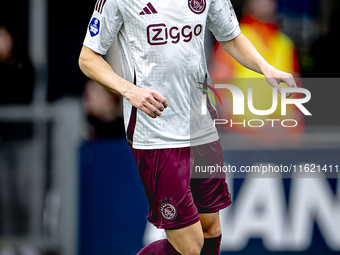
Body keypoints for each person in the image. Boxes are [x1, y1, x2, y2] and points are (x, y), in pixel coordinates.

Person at [78, 0, 296, 254]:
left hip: (201, 124)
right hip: (156, 131)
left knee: (210, 229)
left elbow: (231, 38)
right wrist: (131, 91)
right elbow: (88, 58)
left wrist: (265, 68)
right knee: (190, 247)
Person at [209, 0, 304, 136]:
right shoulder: (233, 40)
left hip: (280, 136)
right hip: (242, 136)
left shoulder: (285, 43)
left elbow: (297, 92)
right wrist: (234, 126)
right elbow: (218, 87)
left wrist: (292, 128)